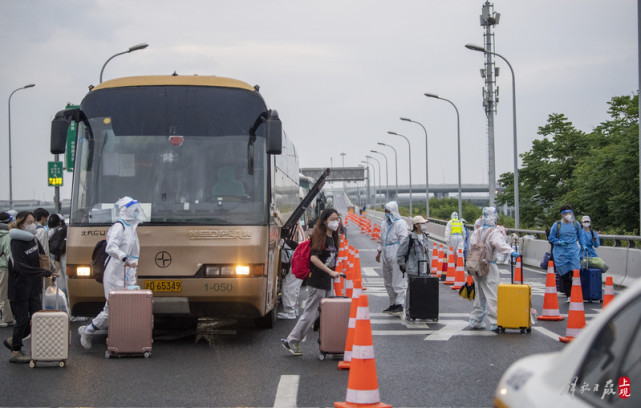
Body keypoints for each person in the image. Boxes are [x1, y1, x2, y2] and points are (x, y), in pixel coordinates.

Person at [78, 197, 145, 349]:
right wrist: (125, 259)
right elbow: (111, 247)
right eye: (133, 209)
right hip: (114, 271)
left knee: (125, 306)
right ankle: (88, 332)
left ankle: (117, 337)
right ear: (125, 210)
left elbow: (135, 255)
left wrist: (132, 280)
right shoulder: (119, 227)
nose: (136, 212)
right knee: (112, 306)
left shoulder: (132, 229)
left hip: (126, 271)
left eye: (136, 209)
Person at [281, 209, 341, 356]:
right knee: (311, 313)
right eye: (333, 219)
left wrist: (332, 273)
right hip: (317, 281)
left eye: (337, 218)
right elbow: (314, 259)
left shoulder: (333, 237)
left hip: (327, 282)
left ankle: (329, 344)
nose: (336, 221)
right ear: (325, 221)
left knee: (325, 315)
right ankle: (291, 340)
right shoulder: (319, 237)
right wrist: (330, 272)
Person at [5, 211, 54, 363]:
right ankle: (16, 351)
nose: (33, 225)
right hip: (19, 286)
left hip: (33, 285)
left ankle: (15, 339)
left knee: (36, 316)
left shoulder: (33, 240)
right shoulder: (15, 242)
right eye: (29, 222)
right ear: (20, 224)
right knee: (22, 319)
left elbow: (42, 257)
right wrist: (42, 272)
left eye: (34, 221)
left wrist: (47, 270)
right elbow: (20, 267)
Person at [465, 207, 518, 333]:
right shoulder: (494, 232)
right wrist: (512, 252)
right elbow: (499, 245)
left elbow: (472, 245)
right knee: (492, 294)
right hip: (489, 265)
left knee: (480, 294)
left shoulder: (477, 231)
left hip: (476, 265)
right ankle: (495, 322)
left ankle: (476, 320)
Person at [278, 218, 315, 320]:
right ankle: (294, 310)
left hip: (295, 269)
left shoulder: (283, 243)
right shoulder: (292, 243)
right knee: (294, 290)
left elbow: (285, 259)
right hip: (299, 269)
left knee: (289, 289)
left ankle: (290, 312)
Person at [376, 201, 409, 315]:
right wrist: (379, 252)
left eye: (388, 211)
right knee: (388, 281)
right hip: (386, 252)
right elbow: (381, 238)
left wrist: (402, 257)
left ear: (393, 211)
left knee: (397, 280)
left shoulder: (400, 223)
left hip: (396, 252)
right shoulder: (384, 223)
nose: (386, 214)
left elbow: (404, 241)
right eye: (385, 211)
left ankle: (399, 304)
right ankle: (392, 303)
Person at [548, 205, 587, 299]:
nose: (568, 215)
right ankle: (569, 295)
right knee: (564, 275)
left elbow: (581, 235)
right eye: (565, 213)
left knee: (575, 272)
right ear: (562, 214)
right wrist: (559, 242)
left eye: (570, 213)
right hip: (560, 252)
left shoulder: (576, 224)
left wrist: (583, 244)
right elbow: (551, 238)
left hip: (573, 251)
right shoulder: (557, 225)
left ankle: (575, 293)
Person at [397, 215, 431, 315]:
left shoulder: (425, 237)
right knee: (411, 291)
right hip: (413, 270)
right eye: (422, 223)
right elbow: (400, 255)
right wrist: (406, 267)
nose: (424, 225)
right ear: (416, 225)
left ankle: (419, 311)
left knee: (422, 291)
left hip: (424, 269)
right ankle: (409, 311)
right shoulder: (410, 238)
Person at [0, 212, 15, 327]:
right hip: (4, 268)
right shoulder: (7, 236)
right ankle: (6, 318)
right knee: (3, 294)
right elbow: (10, 255)